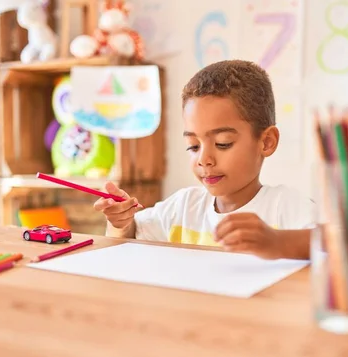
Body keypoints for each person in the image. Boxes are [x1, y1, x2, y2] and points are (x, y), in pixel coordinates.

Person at [94, 59, 315, 260]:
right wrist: (122, 222)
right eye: (194, 146)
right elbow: (130, 239)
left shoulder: (284, 207)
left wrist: (276, 242)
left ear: (266, 142)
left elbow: (337, 245)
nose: (204, 159)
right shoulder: (182, 208)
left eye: (223, 143)